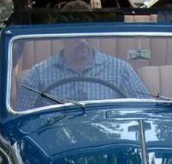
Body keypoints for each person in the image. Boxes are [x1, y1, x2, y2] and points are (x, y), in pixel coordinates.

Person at [16, 33, 149, 111]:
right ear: (63, 38)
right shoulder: (39, 74)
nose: (83, 42)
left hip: (108, 140)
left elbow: (145, 109)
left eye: (87, 36)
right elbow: (22, 118)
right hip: (56, 142)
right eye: (75, 37)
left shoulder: (120, 69)